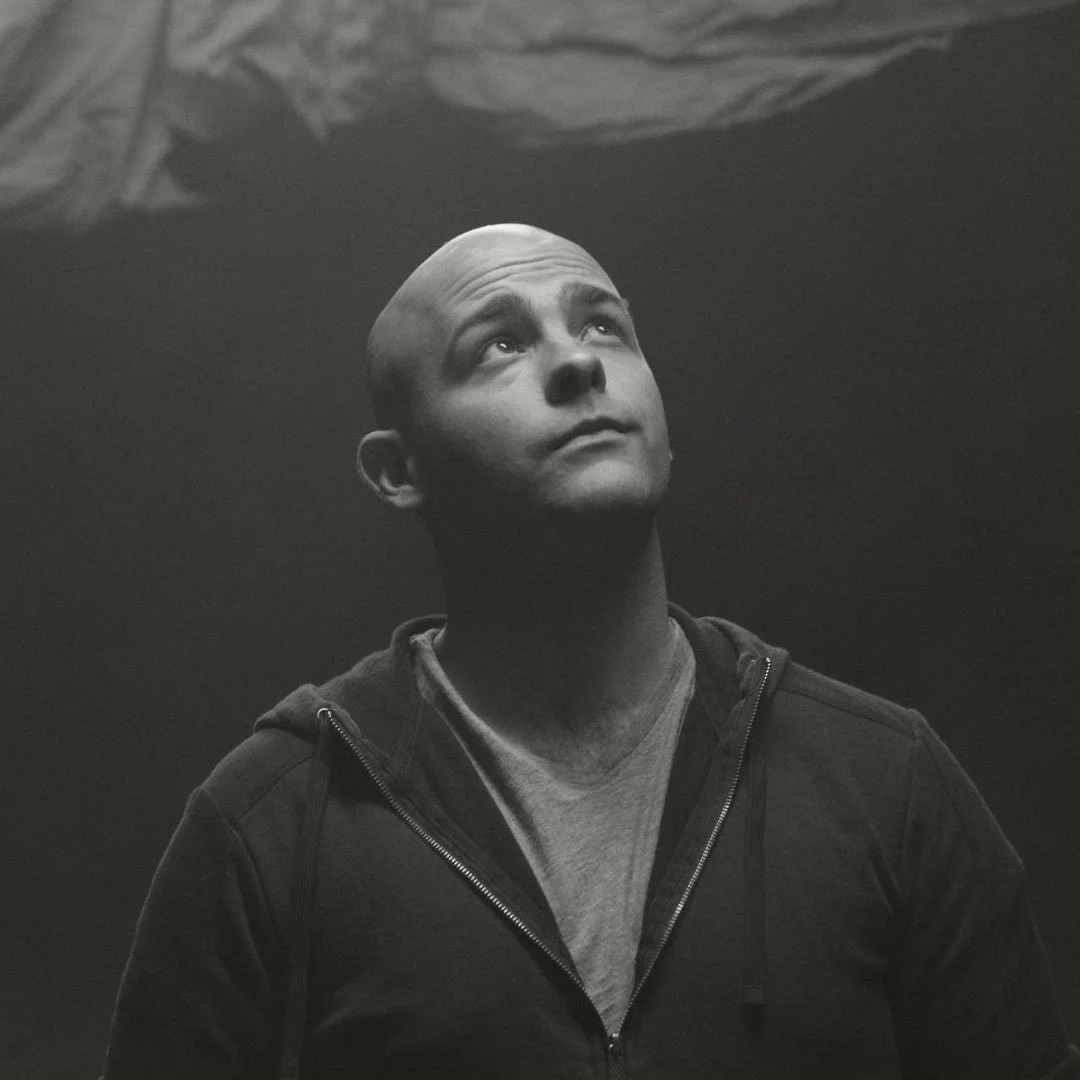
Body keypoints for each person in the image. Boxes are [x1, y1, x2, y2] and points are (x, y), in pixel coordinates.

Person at [102, 223, 1077, 1079]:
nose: (579, 364)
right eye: (499, 344)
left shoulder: (885, 782)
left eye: (603, 324)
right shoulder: (274, 823)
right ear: (400, 470)